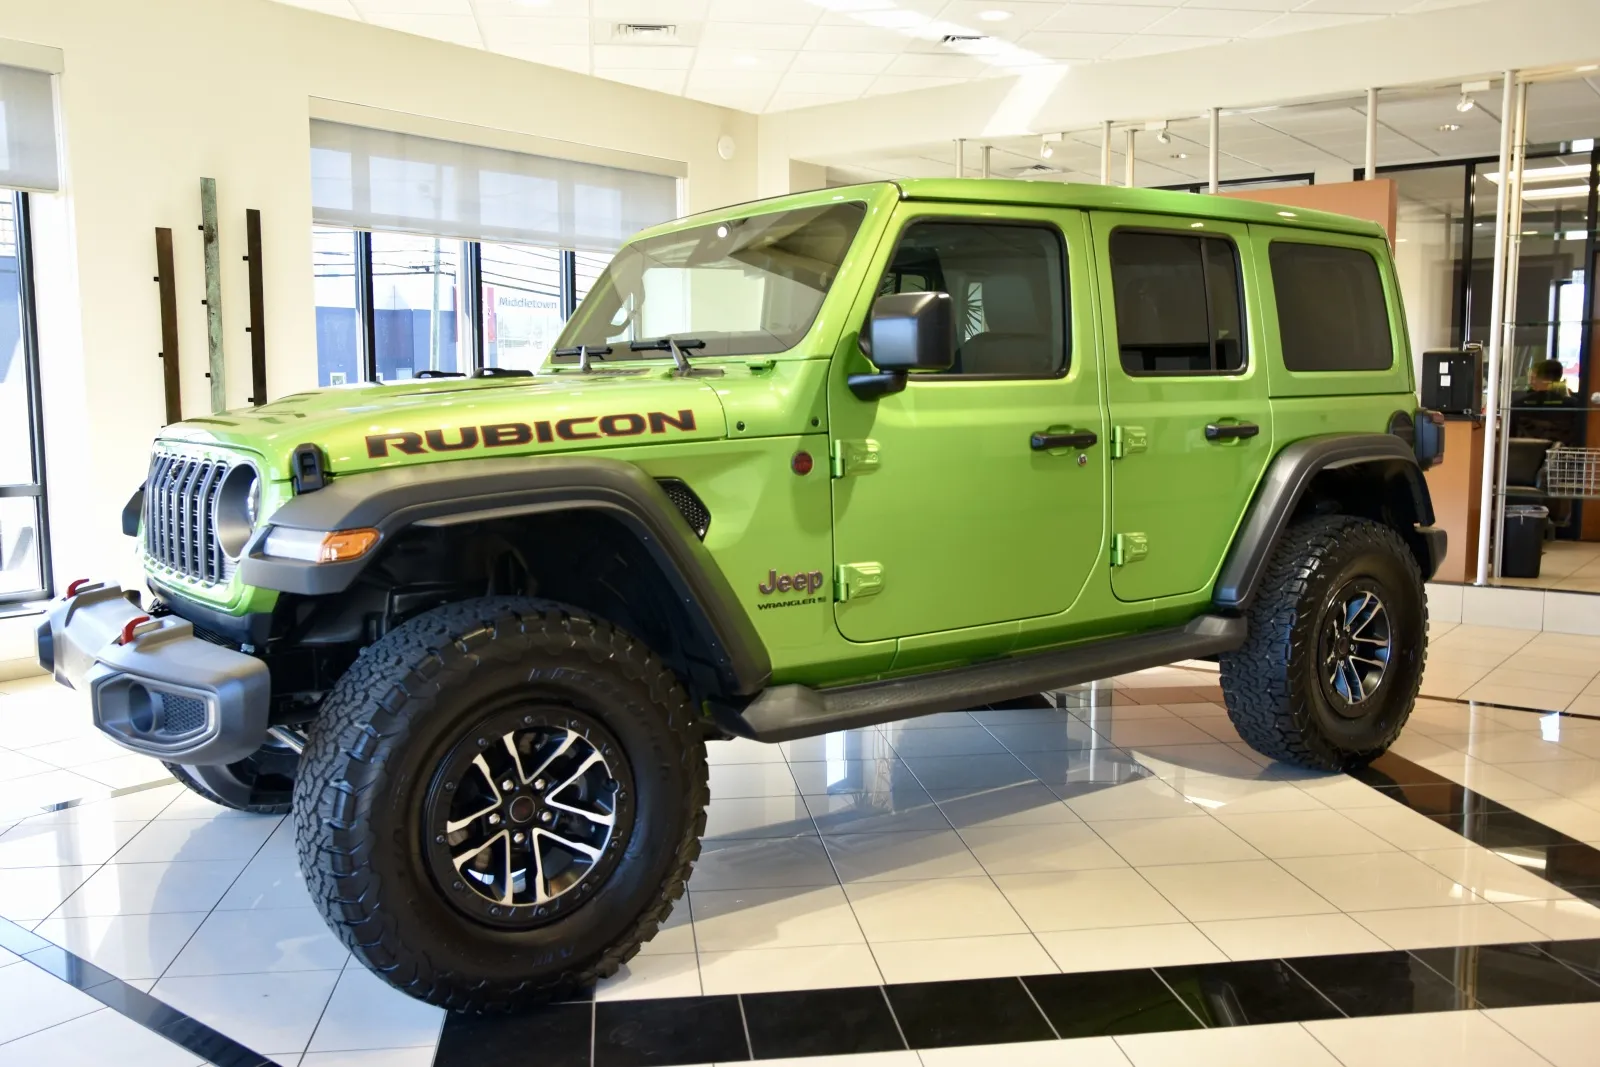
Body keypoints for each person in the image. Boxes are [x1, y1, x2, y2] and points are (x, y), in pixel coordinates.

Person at [1510, 359, 1582, 446]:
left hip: (1526, 452)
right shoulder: (1573, 406)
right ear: (1559, 377)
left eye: (1532, 377)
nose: (1531, 382)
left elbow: (1510, 438)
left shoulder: (1519, 405)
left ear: (1537, 377)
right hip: (1560, 452)